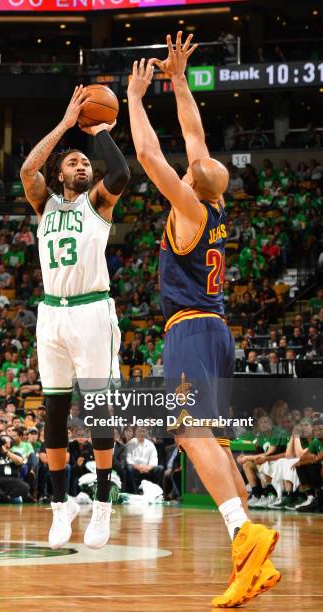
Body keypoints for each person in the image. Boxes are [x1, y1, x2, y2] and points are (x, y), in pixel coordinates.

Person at [127, 31, 279, 608]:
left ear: (192, 180)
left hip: (190, 326)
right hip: (217, 331)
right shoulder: (213, 203)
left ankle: (245, 532)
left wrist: (139, 98)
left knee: (191, 435)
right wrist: (181, 80)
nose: (192, 162)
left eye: (193, 166)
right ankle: (251, 558)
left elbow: (148, 156)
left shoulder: (189, 205)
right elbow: (194, 135)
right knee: (211, 439)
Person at [20, 85, 129, 550]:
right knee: (57, 409)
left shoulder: (98, 204)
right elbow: (28, 169)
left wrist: (100, 129)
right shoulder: (44, 204)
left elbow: (121, 171)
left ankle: (102, 501)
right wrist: (67, 123)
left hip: (92, 311)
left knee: (98, 406)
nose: (82, 166)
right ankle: (62, 504)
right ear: (59, 174)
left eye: (85, 163)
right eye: (74, 163)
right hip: (52, 314)